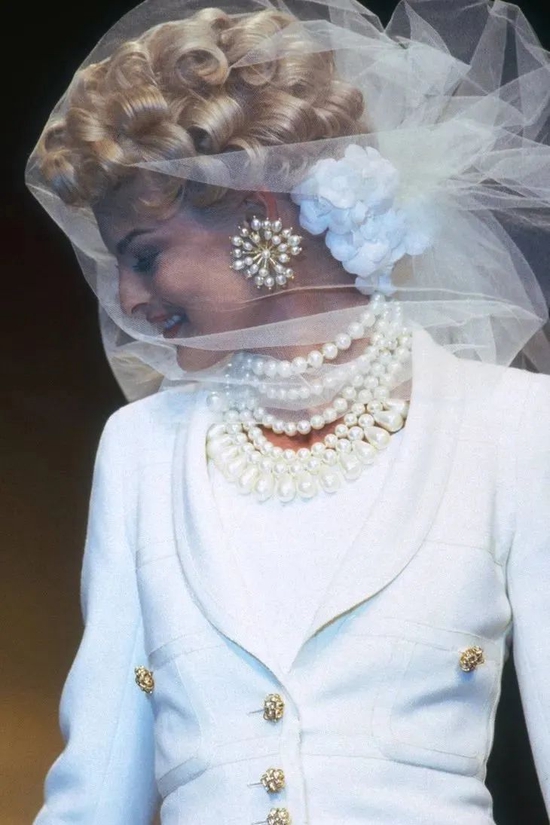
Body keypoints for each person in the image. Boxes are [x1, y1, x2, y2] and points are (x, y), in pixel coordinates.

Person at [26, 0, 550, 822]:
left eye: (145, 255)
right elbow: (95, 790)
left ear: (258, 216)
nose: (126, 297)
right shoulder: (139, 449)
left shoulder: (513, 423)